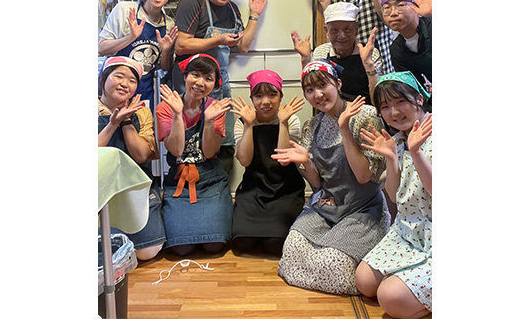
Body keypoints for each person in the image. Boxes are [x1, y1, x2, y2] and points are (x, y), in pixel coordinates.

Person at [271, 59, 390, 295]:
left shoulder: (364, 115)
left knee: (333, 263)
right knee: (292, 249)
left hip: (363, 209)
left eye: (323, 85)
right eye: (309, 90)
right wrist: (307, 162)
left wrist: (344, 129)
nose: (318, 94)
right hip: (327, 206)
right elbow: (318, 185)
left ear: (338, 83)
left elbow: (364, 176)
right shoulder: (312, 125)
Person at [171, 0, 268, 173]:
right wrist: (218, 40)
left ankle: (218, 182)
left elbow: (243, 46)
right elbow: (181, 46)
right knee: (190, 140)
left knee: (222, 140)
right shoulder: (193, 2)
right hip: (191, 85)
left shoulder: (232, 10)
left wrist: (254, 16)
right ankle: (190, 185)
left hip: (219, 83)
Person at [355, 71, 432, 318]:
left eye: (400, 102)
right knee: (364, 282)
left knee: (390, 297)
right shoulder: (399, 138)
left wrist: (416, 152)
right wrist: (390, 158)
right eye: (386, 106)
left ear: (419, 98)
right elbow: (394, 195)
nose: (394, 112)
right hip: (407, 232)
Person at [155, 53, 234, 256]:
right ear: (185, 76)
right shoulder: (166, 107)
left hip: (211, 179)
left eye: (208, 78)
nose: (200, 83)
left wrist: (209, 122)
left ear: (214, 85)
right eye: (195, 75)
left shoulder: (215, 109)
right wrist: (177, 115)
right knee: (181, 248)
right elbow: (176, 150)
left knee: (214, 245)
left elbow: (209, 152)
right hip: (178, 181)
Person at [229, 70, 306, 257]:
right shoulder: (242, 122)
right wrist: (249, 125)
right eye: (258, 96)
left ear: (280, 97)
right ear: (252, 99)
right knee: (241, 242)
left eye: (272, 95)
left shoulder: (291, 120)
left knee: (276, 244)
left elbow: (283, 162)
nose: (265, 101)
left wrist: (283, 123)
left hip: (285, 190)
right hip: (254, 190)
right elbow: (245, 160)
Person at [97, 56, 166, 260]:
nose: (125, 84)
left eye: (132, 80)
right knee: (107, 250)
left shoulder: (142, 112)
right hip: (99, 187)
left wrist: (126, 121)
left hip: (134, 187)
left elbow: (142, 155)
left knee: (148, 251)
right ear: (103, 78)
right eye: (119, 76)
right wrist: (112, 124)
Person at [98, 0, 179, 110]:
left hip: (143, 91)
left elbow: (164, 67)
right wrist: (130, 38)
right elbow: (101, 48)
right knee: (109, 124)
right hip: (113, 88)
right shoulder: (125, 10)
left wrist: (166, 51)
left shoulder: (169, 24)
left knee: (141, 125)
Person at [290, 1, 383, 105]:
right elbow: (312, 90)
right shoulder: (321, 53)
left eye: (347, 29)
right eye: (334, 30)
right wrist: (306, 59)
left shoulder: (370, 53)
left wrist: (369, 65)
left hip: (366, 109)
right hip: (331, 110)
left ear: (356, 29)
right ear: (326, 31)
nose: (341, 36)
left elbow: (380, 99)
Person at [380, 0, 432, 111]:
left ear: (417, 6)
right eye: (387, 8)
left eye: (401, 5)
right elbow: (414, 90)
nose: (393, 13)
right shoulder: (397, 49)